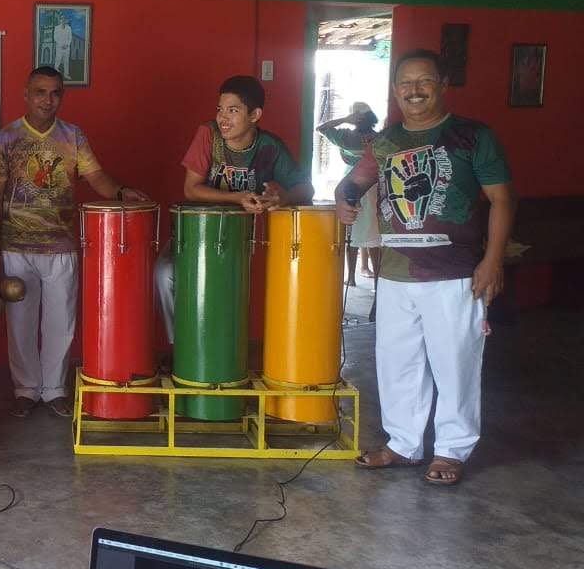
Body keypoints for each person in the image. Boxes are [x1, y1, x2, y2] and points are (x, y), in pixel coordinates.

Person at [339, 49, 515, 486]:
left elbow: (502, 199)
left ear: (443, 85)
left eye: (424, 82)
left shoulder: (472, 136)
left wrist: (493, 260)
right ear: (395, 89)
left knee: (455, 363)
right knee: (397, 362)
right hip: (395, 272)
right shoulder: (384, 142)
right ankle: (404, 444)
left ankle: (452, 450)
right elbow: (352, 183)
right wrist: (345, 200)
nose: (414, 91)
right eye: (406, 83)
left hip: (455, 272)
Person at [0, 66, 149, 418]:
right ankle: (26, 389)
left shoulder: (73, 136)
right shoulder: (7, 138)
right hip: (17, 247)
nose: (47, 100)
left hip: (61, 245)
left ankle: (54, 390)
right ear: (26, 95)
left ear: (62, 96)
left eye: (55, 93)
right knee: (20, 324)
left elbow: (96, 177)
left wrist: (121, 192)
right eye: (40, 92)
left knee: (61, 322)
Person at [154, 75, 312, 345]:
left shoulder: (269, 147)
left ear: (255, 115)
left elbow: (306, 189)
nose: (222, 118)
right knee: (164, 273)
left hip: (236, 240)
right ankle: (179, 347)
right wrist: (238, 197)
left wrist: (283, 196)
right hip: (193, 232)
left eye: (233, 110)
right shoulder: (208, 134)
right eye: (220, 109)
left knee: (223, 296)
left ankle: (220, 351)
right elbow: (191, 189)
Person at [318, 102, 380, 287]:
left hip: (349, 184)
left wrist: (345, 119)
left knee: (351, 233)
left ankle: (351, 277)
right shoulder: (379, 138)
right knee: (373, 234)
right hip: (373, 186)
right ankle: (378, 282)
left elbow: (321, 128)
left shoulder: (345, 137)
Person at [53, 15, 73, 80]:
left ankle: (66, 74)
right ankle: (55, 74)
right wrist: (61, 45)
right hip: (59, 47)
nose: (63, 20)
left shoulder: (69, 28)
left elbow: (70, 37)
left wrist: (67, 44)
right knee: (58, 60)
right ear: (60, 20)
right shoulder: (56, 28)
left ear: (66, 20)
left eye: (64, 19)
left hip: (67, 48)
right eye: (62, 19)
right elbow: (55, 38)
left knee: (66, 61)